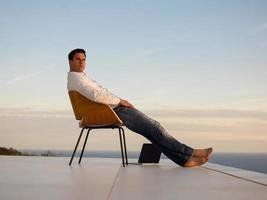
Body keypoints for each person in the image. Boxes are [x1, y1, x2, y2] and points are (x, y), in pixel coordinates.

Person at [67, 48, 212, 167]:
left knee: (151, 131)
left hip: (112, 109)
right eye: (78, 59)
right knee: (155, 127)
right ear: (70, 61)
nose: (81, 62)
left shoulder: (80, 78)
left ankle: (185, 159)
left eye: (84, 59)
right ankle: (190, 152)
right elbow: (96, 95)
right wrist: (121, 100)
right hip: (114, 110)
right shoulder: (77, 79)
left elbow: (97, 94)